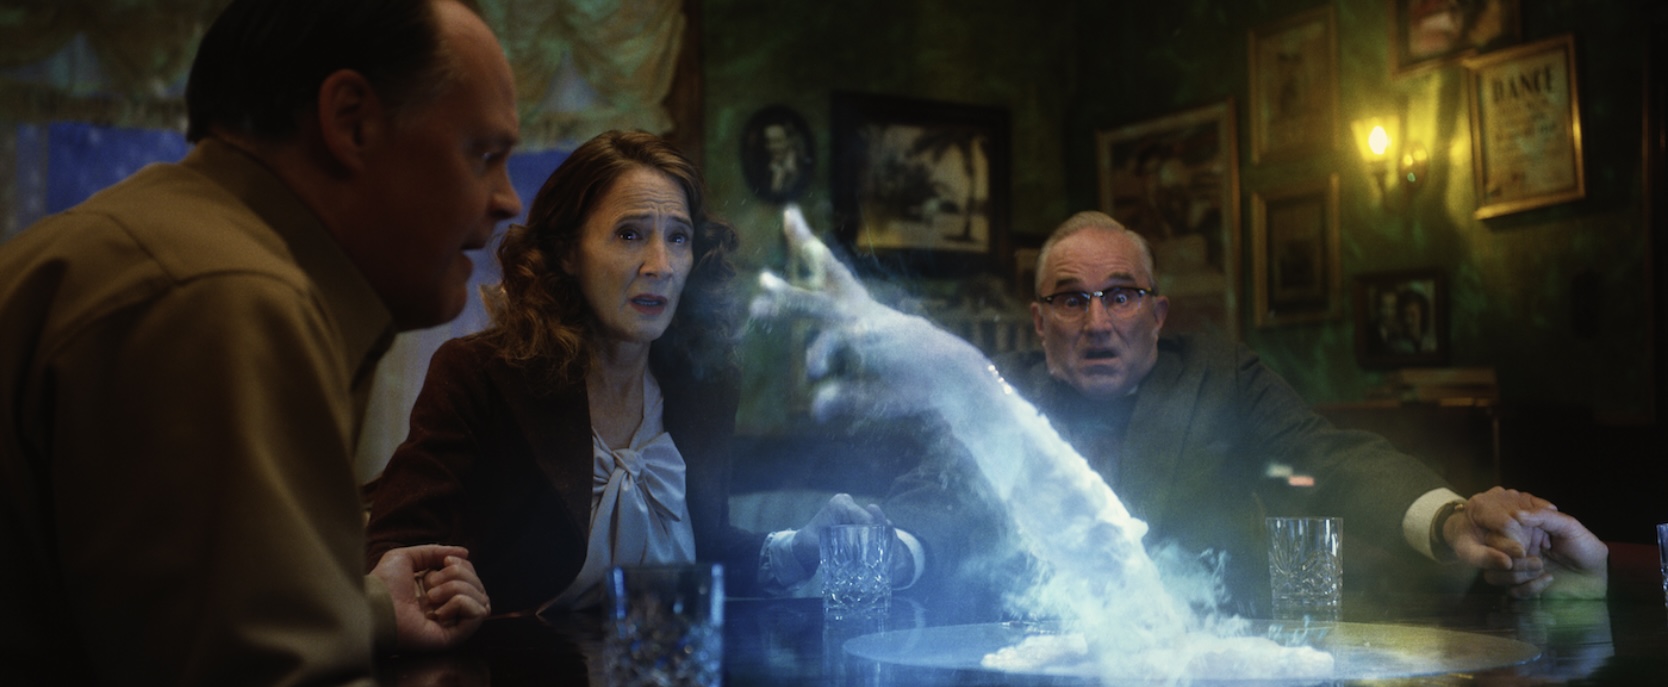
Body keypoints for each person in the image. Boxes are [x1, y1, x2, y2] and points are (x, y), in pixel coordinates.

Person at [0, 0, 517, 683]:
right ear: (352, 122)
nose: (508, 200)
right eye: (484, 155)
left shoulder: (168, 247)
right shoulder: (222, 298)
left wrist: (364, 607)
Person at [752, 209, 1608, 617]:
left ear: (1158, 315)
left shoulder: (1220, 376)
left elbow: (1329, 456)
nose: (1097, 322)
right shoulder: (999, 391)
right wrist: (888, 549)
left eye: (1121, 295)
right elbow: (937, 499)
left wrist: (1453, 517)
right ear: (1039, 322)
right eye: (1071, 299)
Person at [363, 130, 885, 616]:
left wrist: (802, 545)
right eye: (630, 234)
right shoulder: (480, 374)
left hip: (664, 663)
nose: (661, 264)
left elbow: (705, 549)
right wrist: (445, 586)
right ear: (568, 251)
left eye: (678, 238)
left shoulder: (702, 386)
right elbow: (391, 551)